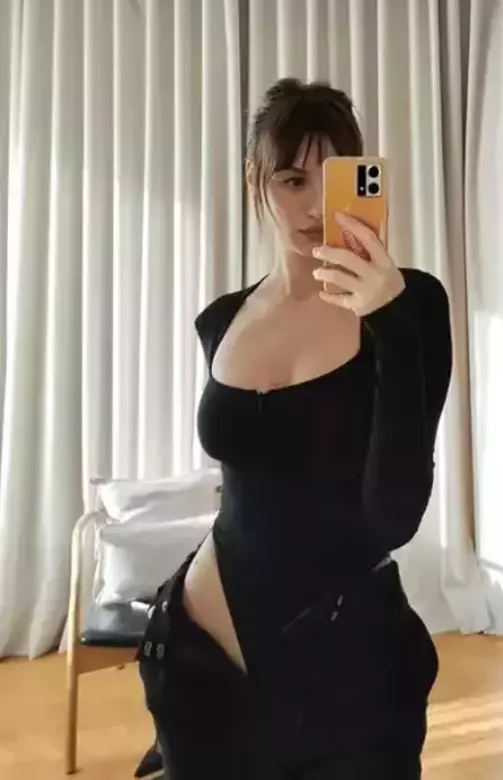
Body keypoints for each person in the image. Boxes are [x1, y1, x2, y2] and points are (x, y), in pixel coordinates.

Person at [136, 77, 453, 779]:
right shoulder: (222, 319)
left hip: (349, 679)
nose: (313, 206)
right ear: (257, 180)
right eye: (291, 179)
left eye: (332, 179)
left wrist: (388, 320)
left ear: (361, 179)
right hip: (197, 667)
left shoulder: (415, 306)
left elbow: (394, 515)